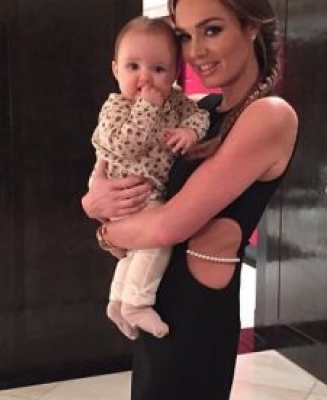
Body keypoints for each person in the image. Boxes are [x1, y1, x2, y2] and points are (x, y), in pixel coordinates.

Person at [82, 0, 298, 398]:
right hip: (158, 294)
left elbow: (168, 225)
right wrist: (96, 204)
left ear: (250, 26)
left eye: (212, 30)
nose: (196, 51)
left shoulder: (269, 115)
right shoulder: (204, 111)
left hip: (195, 310)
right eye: (184, 36)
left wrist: (104, 228)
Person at [92, 16, 210, 340]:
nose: (145, 78)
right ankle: (137, 304)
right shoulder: (116, 107)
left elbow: (200, 115)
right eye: (133, 67)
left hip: (147, 193)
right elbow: (127, 146)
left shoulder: (176, 102)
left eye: (158, 69)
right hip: (127, 193)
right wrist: (147, 106)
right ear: (115, 70)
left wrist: (190, 131)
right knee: (156, 246)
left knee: (135, 252)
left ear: (173, 74)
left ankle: (118, 301)